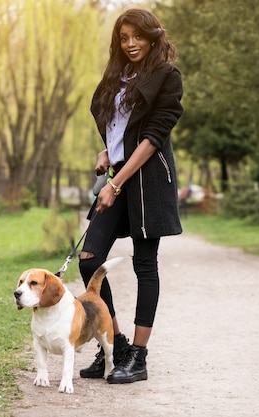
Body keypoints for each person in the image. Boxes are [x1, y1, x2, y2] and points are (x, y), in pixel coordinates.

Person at [78, 8, 183, 384]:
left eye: (138, 36)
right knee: (89, 261)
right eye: (124, 38)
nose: (131, 44)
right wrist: (108, 149)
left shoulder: (167, 77)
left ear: (153, 37)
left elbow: (154, 137)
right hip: (117, 175)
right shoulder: (116, 76)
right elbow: (111, 121)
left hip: (147, 182)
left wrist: (115, 182)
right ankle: (116, 346)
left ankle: (138, 357)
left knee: (145, 264)